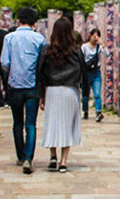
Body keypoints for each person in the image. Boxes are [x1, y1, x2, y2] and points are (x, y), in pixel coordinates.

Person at [0, 6, 46, 174]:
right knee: (31, 124)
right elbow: (42, 63)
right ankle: (28, 157)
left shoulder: (9, 38)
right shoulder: (39, 38)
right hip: (33, 86)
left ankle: (20, 155)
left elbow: (4, 62)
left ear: (18, 21)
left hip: (15, 85)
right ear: (34, 23)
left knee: (17, 123)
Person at [37, 18, 86, 173]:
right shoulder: (76, 50)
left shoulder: (47, 50)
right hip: (70, 90)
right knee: (67, 125)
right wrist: (85, 93)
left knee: (52, 123)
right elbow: (84, 71)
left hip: (52, 90)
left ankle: (53, 156)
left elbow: (40, 72)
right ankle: (63, 162)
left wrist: (41, 95)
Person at [81, 27, 105, 122]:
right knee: (85, 94)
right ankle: (85, 111)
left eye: (97, 36)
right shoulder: (84, 47)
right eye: (94, 36)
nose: (95, 38)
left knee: (97, 94)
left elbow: (107, 54)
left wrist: (102, 43)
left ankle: (98, 112)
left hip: (96, 72)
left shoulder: (99, 48)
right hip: (86, 73)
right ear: (90, 36)